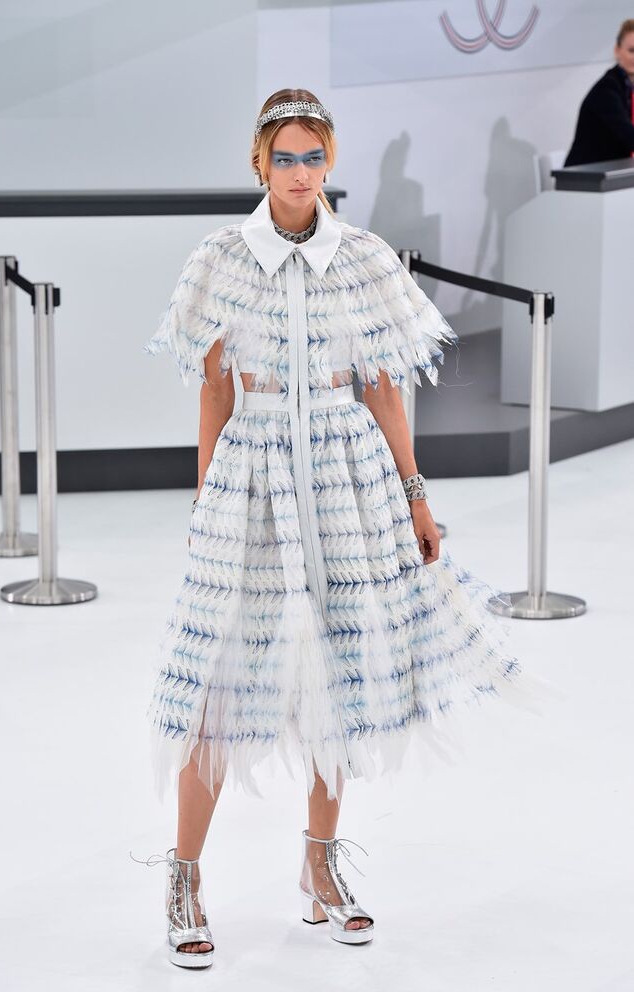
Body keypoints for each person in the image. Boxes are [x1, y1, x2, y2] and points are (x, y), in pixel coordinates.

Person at [132, 88, 558, 968]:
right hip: (252, 473)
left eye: (314, 157)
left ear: (330, 161)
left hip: (345, 472)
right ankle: (184, 874)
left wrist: (415, 495)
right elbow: (213, 391)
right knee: (216, 681)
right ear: (259, 163)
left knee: (340, 670)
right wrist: (207, 502)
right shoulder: (220, 258)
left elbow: (385, 385)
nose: (300, 174)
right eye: (285, 158)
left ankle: (320, 866)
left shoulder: (363, 258)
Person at [564, 19, 634, 166]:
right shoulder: (607, 88)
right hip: (584, 175)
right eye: (632, 51)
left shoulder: (628, 88)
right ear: (617, 51)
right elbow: (629, 136)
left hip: (614, 172)